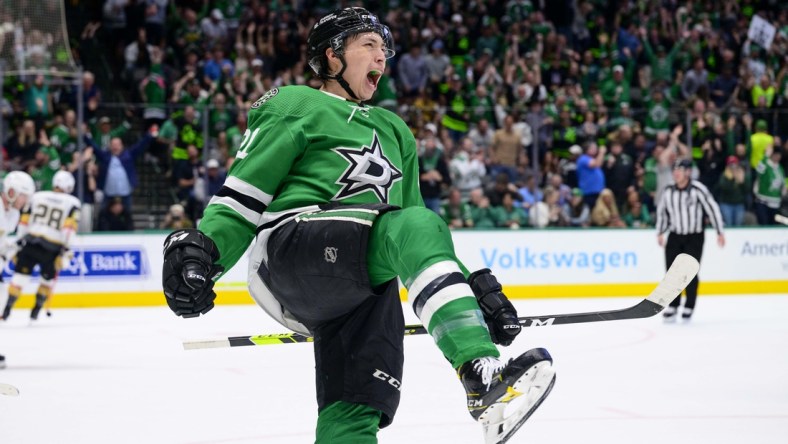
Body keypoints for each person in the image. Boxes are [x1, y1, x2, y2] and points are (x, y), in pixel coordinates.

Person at [160, 8, 555, 444]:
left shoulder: (396, 130)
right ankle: (482, 376)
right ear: (332, 58)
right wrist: (203, 255)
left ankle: (475, 372)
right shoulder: (296, 103)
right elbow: (243, 197)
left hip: (361, 280)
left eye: (384, 50)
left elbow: (417, 230)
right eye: (369, 45)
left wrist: (471, 296)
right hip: (296, 248)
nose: (381, 57)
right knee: (408, 227)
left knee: (353, 411)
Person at [1, 171, 81, 321]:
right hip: (52, 247)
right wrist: (67, 249)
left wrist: (19, 241)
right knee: (46, 280)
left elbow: (24, 223)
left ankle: (6, 310)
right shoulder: (73, 202)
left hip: (30, 242)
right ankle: (36, 310)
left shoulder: (37, 197)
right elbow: (69, 230)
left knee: (19, 278)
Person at [656, 159, 725, 321]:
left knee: (690, 271)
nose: (676, 173)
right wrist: (660, 231)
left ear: (688, 172)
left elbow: (712, 208)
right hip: (674, 234)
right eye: (675, 169)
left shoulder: (697, 189)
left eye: (680, 169)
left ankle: (689, 305)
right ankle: (673, 305)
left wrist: (719, 231)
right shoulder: (668, 190)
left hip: (694, 236)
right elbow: (662, 212)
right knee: (672, 273)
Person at [0, 171, 37, 367]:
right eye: (25, 196)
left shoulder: (13, 214)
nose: (26, 201)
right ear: (12, 192)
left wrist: (15, 246)